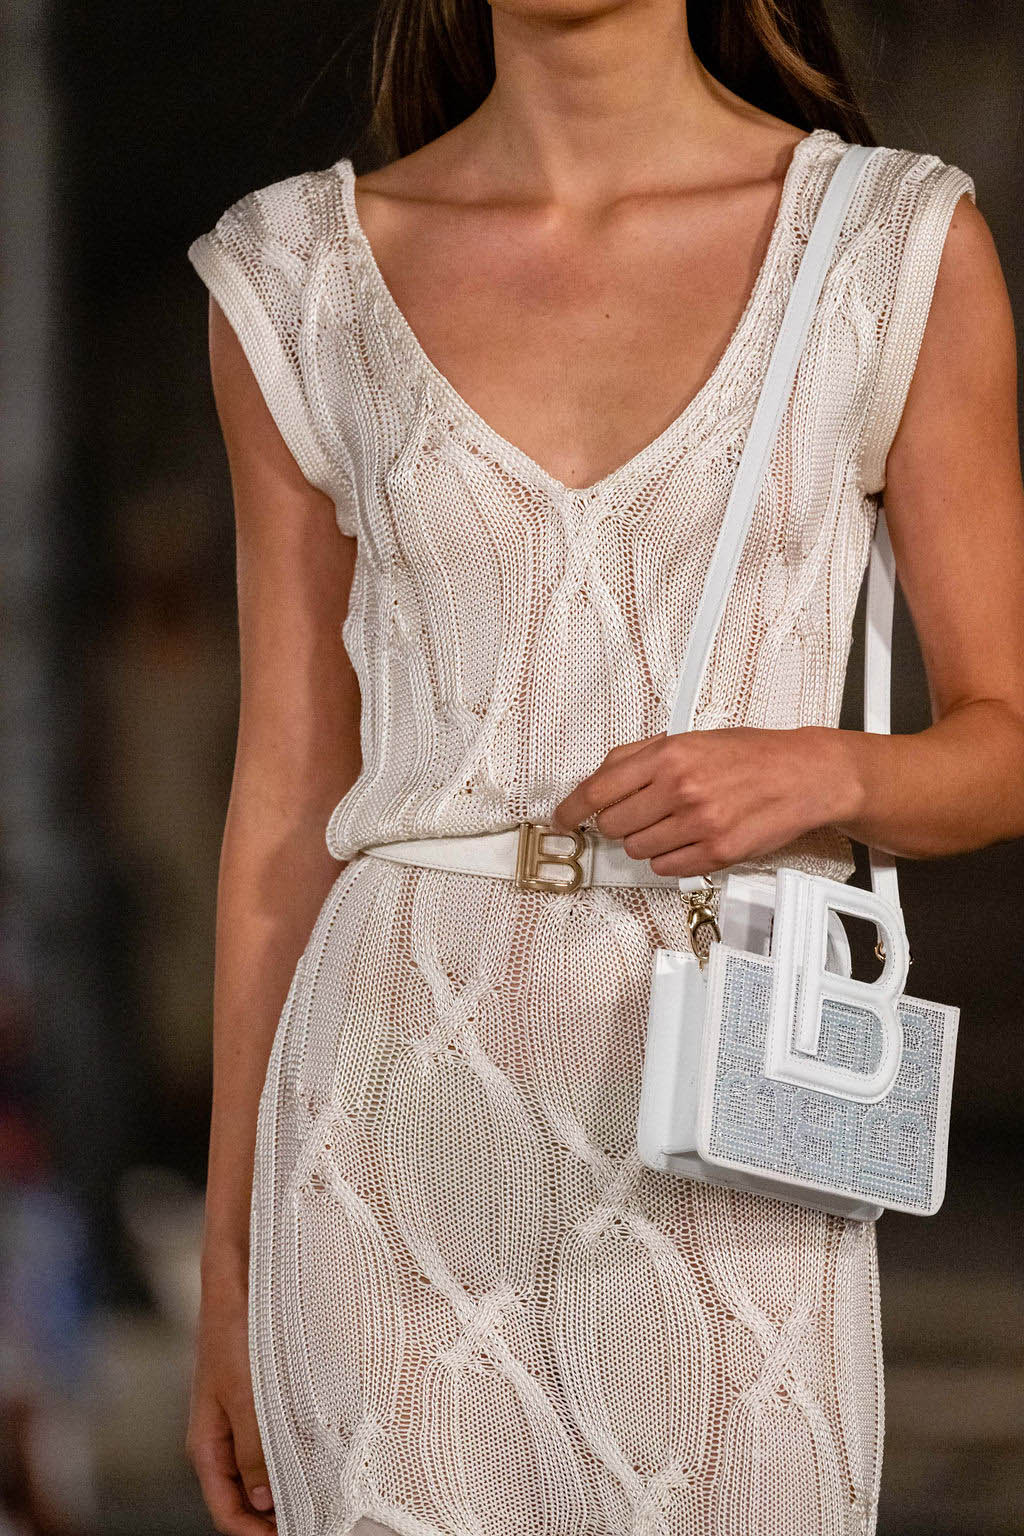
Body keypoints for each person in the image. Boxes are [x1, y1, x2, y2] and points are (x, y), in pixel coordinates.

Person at [184, 1, 1024, 1534]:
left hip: (731, 1115)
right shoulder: (299, 275)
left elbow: (1006, 744)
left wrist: (827, 771)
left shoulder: (888, 245)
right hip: (384, 1115)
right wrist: (228, 1267)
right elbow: (287, 802)